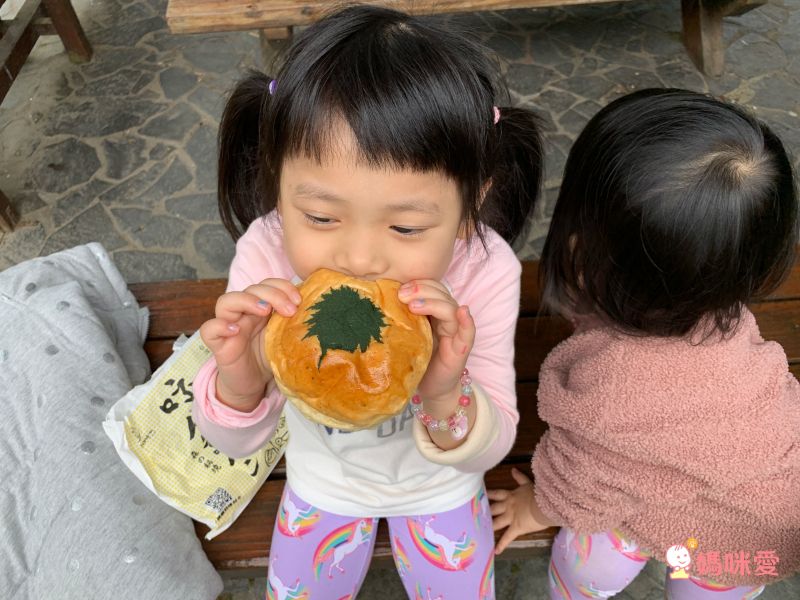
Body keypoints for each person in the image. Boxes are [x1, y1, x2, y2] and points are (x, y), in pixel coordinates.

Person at [192, 5, 544, 598]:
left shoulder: (486, 271)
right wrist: (241, 378)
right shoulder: (266, 253)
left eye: (406, 228)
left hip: (438, 485)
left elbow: (489, 447)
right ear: (278, 182)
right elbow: (230, 442)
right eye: (320, 216)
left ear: (469, 208)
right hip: (323, 480)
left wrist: (443, 389)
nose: (359, 258)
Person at [489, 88, 800, 598]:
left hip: (725, 540)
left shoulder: (612, 393)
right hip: (764, 523)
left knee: (586, 563)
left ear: (584, 254)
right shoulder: (717, 305)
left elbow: (582, 482)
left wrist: (534, 508)